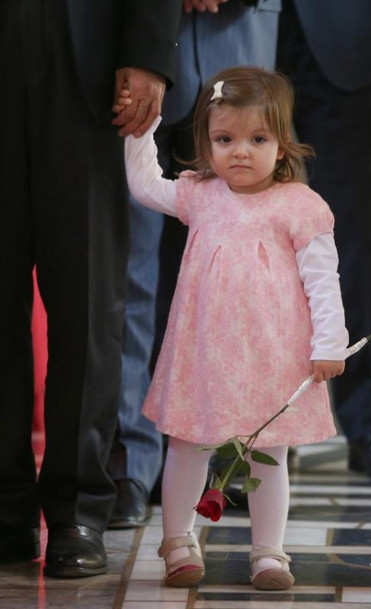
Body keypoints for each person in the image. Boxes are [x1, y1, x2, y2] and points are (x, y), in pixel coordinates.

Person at [0, 0, 180, 577]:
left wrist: (148, 54)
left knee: (89, 300)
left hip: (89, 62)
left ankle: (78, 513)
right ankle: (0, 514)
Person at [122, 66, 350, 589]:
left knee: (268, 450)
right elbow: (143, 186)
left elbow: (323, 280)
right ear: (206, 141)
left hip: (273, 352)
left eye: (257, 139)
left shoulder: (299, 205)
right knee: (187, 443)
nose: (240, 151)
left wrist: (328, 342)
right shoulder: (201, 195)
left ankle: (268, 552)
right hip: (202, 352)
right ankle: (178, 539)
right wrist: (144, 129)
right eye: (224, 139)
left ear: (282, 142)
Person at [108, 0, 281, 530]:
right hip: (135, 45)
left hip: (240, 42)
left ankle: (238, 453)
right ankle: (131, 465)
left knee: (249, 280)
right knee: (129, 269)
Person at [275, 0, 371, 479]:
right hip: (226, 22)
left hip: (343, 19)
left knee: (352, 226)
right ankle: (264, 423)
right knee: (242, 228)